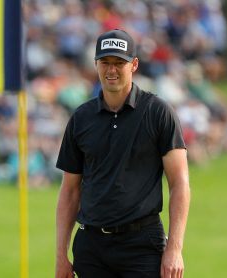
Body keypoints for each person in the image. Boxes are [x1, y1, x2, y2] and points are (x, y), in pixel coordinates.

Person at [55, 29, 190, 278]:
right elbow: (70, 191)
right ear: (95, 64)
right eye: (105, 62)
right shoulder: (81, 118)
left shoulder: (158, 112)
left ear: (134, 65)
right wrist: (61, 255)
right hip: (91, 247)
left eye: (119, 63)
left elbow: (179, 184)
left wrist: (175, 248)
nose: (111, 70)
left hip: (142, 245)